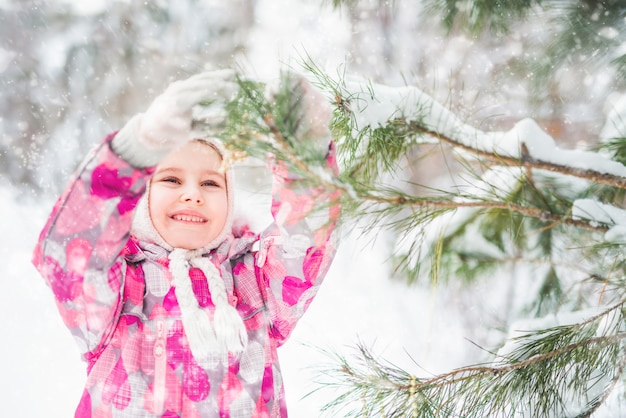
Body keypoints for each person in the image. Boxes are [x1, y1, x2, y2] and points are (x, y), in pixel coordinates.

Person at [32, 69, 341, 417]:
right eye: (172, 179)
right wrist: (136, 151)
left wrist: (304, 158)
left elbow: (308, 241)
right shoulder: (118, 288)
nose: (192, 194)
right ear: (142, 197)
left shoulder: (254, 285)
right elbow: (71, 253)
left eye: (210, 183)